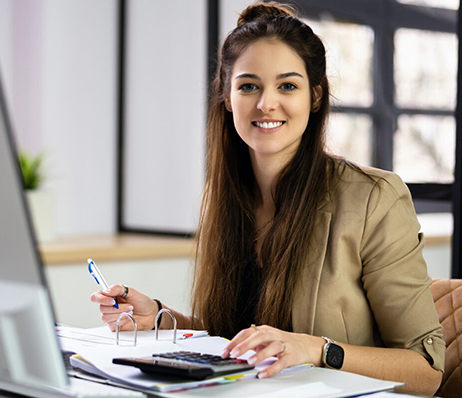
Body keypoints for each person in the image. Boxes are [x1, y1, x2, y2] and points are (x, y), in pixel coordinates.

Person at [91, 2, 444, 395]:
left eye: (287, 85)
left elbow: (426, 372)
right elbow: (234, 339)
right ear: (226, 97)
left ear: (314, 96)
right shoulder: (223, 197)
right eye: (248, 86)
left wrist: (316, 349)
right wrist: (160, 317)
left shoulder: (374, 198)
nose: (265, 103)